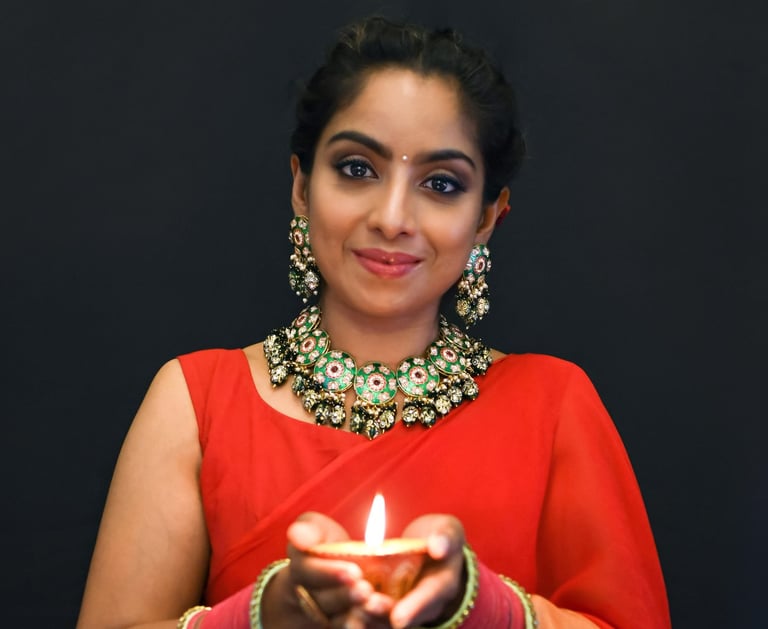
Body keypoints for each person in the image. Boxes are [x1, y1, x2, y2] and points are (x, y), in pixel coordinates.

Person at [76, 15, 671, 629]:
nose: (392, 218)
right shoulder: (197, 403)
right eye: (358, 168)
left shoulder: (552, 405)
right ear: (302, 186)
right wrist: (260, 617)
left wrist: (481, 606)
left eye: (441, 183)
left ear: (487, 218)